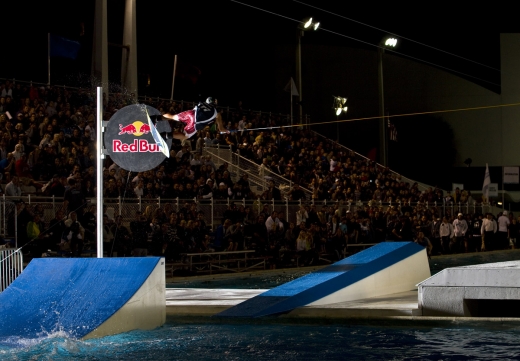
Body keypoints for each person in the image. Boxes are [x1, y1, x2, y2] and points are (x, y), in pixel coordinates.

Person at [162, 97, 229, 140]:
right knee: (185, 136)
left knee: (173, 116)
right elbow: (221, 129)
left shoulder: (203, 103)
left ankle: (157, 117)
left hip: (191, 113)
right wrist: (226, 131)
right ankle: (166, 135)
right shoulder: (217, 113)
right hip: (195, 123)